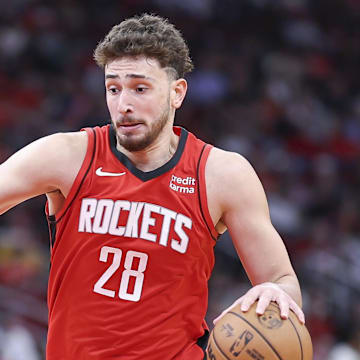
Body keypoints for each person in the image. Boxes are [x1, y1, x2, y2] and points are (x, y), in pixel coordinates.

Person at [0, 13, 305, 360]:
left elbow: (282, 279)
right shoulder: (67, 155)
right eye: (113, 88)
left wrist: (280, 293)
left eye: (140, 88)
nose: (123, 104)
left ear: (177, 93)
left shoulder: (222, 174)